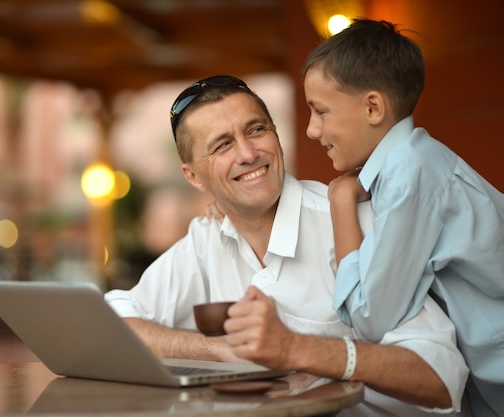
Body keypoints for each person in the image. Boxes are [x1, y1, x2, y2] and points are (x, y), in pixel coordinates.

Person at [105, 75, 469, 416]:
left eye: (256, 129)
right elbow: (114, 319)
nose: (248, 153)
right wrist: (217, 350)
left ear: (276, 135)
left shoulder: (351, 222)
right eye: (223, 145)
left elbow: (441, 377)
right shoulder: (207, 238)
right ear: (194, 177)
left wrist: (297, 349)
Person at [302, 19, 504, 416]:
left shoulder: (411, 174)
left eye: (320, 111)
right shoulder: (412, 164)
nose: (312, 130)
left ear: (373, 107)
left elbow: (371, 318)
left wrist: (342, 202)